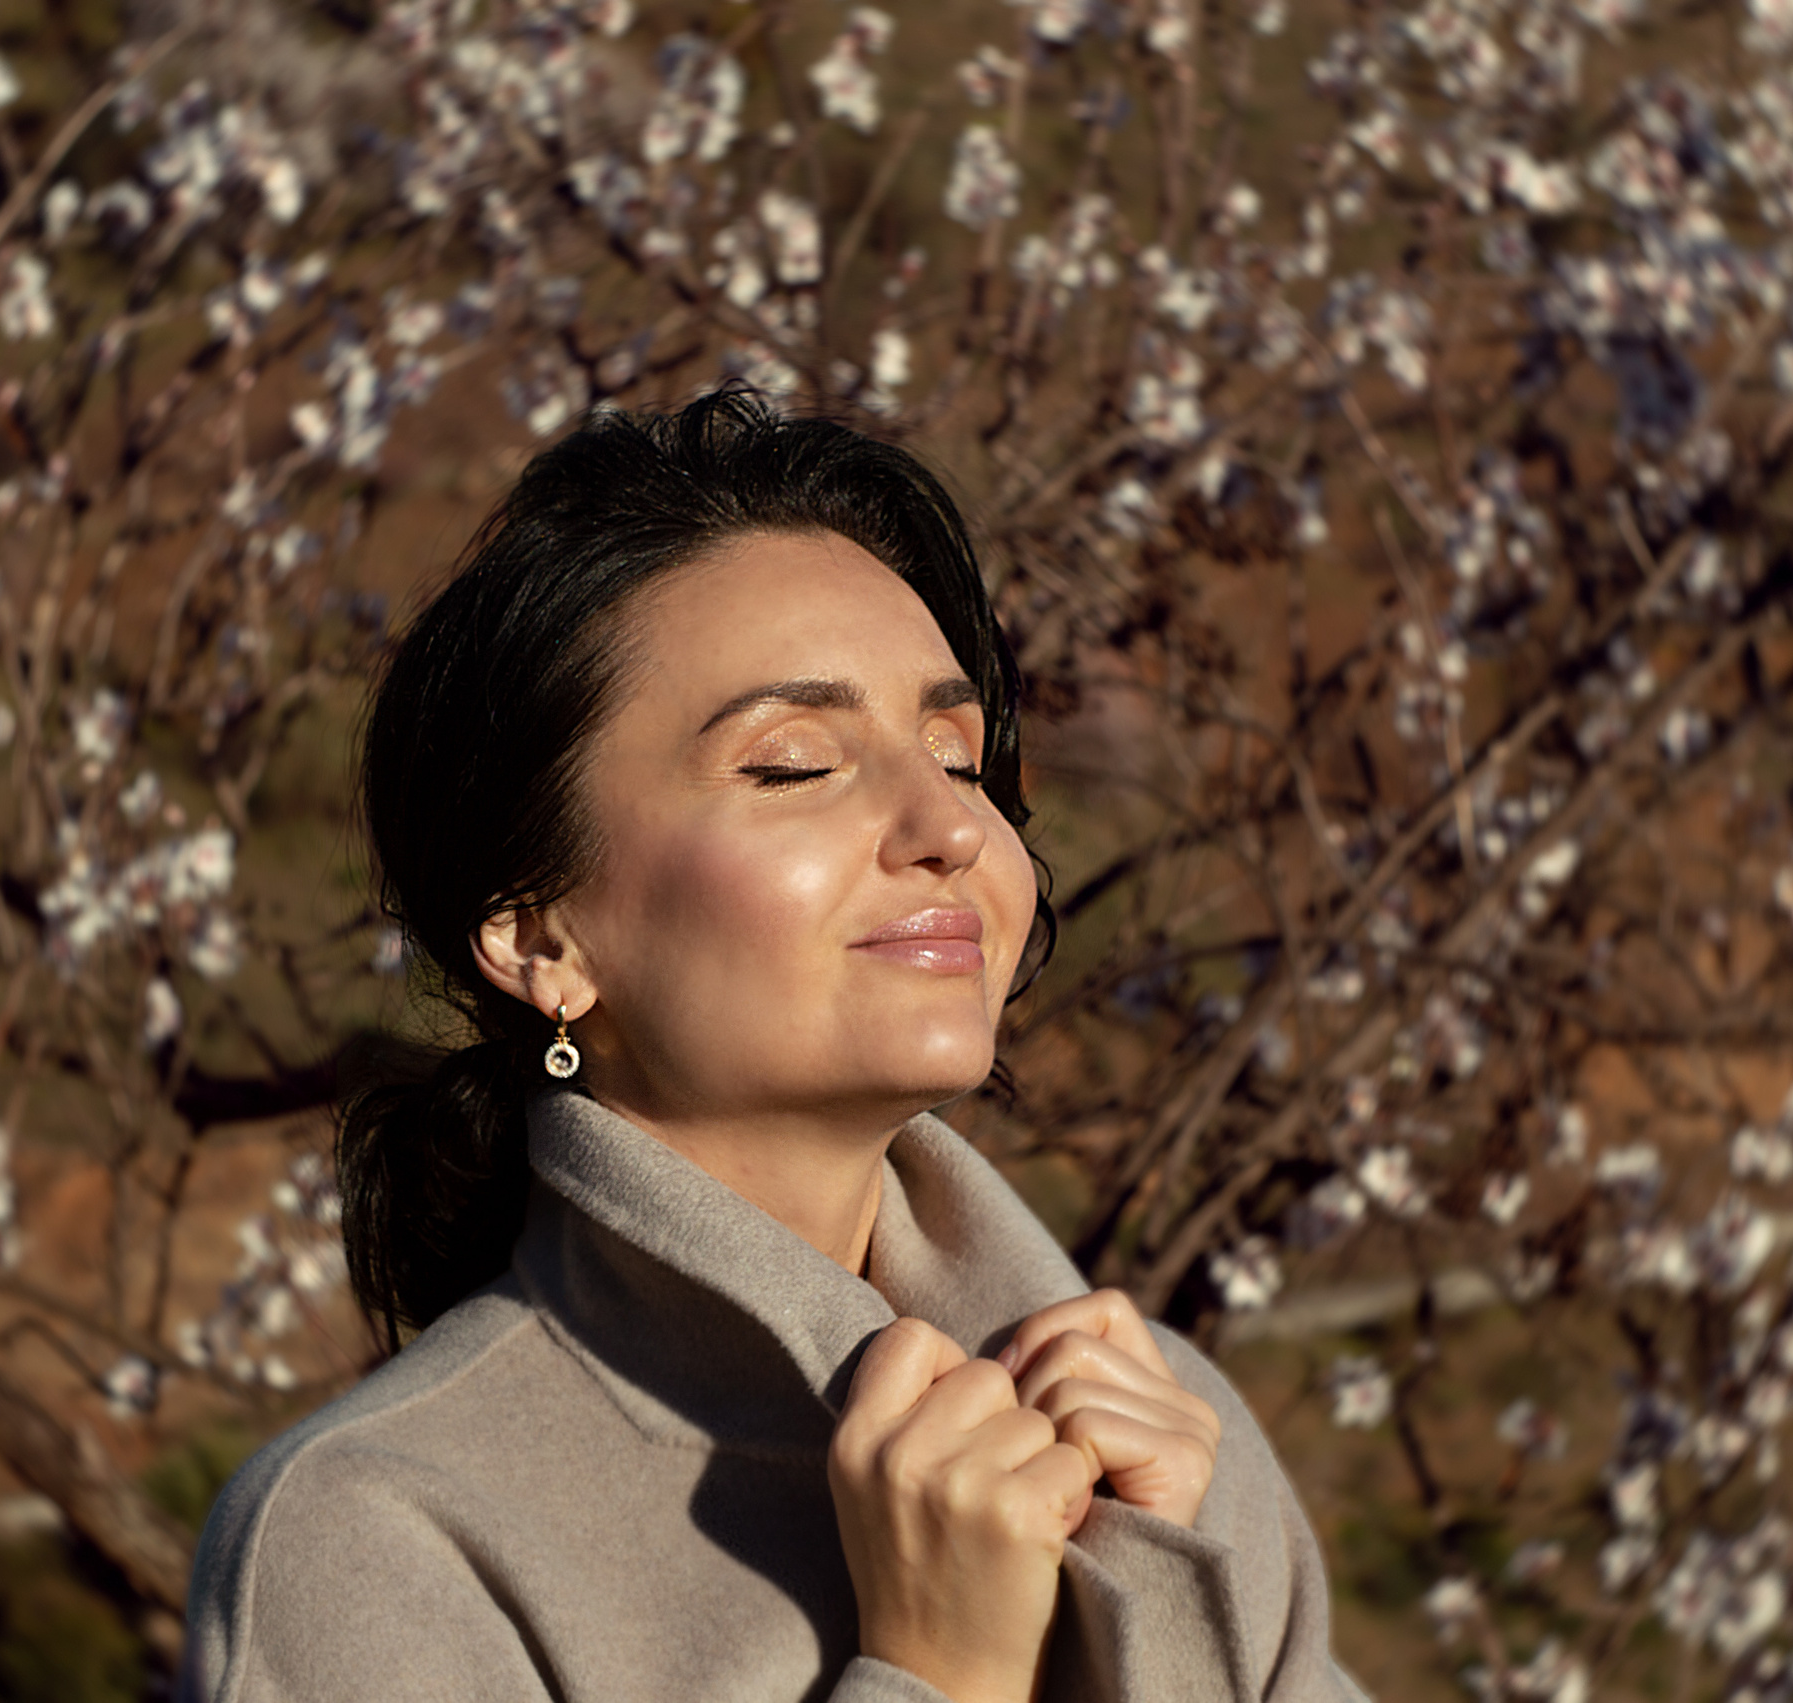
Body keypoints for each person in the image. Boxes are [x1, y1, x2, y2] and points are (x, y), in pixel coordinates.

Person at [180, 388, 1365, 1703]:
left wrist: (1160, 1596)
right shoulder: (377, 1537)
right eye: (796, 764)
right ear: (538, 936)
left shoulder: (1162, 1433)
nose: (952, 828)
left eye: (957, 757)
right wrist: (941, 1672)